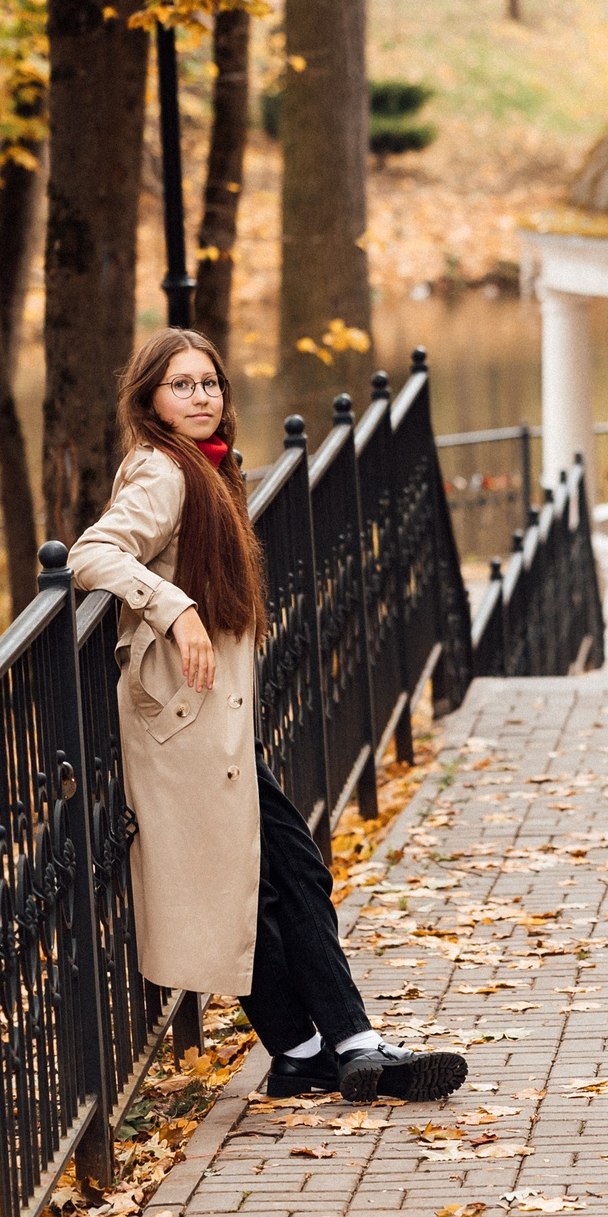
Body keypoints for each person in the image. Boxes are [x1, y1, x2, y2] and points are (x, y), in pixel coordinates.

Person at [71, 328, 469, 1103]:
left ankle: (319, 1048)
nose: (200, 396)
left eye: (209, 383)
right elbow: (93, 552)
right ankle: (330, 1044)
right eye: (181, 385)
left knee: (277, 875)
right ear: (149, 398)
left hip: (208, 721)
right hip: (183, 727)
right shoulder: (160, 471)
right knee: (259, 882)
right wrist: (176, 609)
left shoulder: (212, 472)